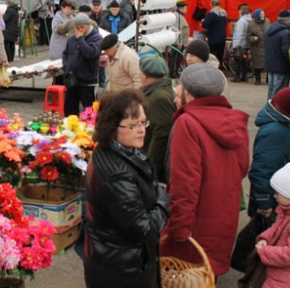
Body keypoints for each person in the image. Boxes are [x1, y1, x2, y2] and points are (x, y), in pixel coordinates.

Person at [162, 62, 249, 277]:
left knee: (187, 276)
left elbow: (184, 184)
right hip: (224, 217)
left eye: (179, 91)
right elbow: (242, 167)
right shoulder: (234, 120)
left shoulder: (188, 123)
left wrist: (177, 230)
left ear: (189, 94)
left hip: (195, 223)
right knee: (208, 275)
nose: (176, 96)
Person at [82, 89, 170, 288]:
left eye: (143, 123)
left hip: (115, 259)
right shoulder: (116, 174)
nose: (141, 130)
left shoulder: (119, 152)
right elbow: (144, 230)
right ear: (112, 127)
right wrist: (163, 200)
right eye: (133, 125)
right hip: (122, 271)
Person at [249, 87, 290, 221]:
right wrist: (263, 202)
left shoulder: (288, 125)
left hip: (285, 201)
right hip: (275, 206)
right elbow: (262, 169)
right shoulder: (274, 132)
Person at [139, 54, 176, 182]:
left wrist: (149, 167)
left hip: (153, 163)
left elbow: (161, 134)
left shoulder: (158, 97)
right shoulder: (156, 91)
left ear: (146, 76)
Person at [62, 13, 102, 116]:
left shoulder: (96, 37)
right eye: (77, 27)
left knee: (89, 112)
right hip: (72, 80)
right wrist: (67, 67)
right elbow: (66, 53)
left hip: (87, 82)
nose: (79, 29)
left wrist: (80, 39)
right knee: (69, 110)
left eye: (82, 27)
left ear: (88, 25)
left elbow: (90, 53)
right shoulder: (72, 38)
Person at [265, 9, 290, 100]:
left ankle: (269, 107)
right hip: (281, 66)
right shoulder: (285, 33)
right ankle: (275, 110)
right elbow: (286, 51)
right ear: (286, 20)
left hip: (270, 64)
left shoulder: (270, 29)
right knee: (278, 91)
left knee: (271, 90)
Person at [201, 0, 228, 67]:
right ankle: (220, 66)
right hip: (222, 36)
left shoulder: (212, 13)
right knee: (220, 53)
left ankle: (213, 67)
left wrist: (203, 21)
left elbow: (205, 24)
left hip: (213, 37)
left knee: (212, 54)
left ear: (212, 5)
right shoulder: (224, 13)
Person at [248, 8, 270, 85]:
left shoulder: (267, 21)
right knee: (257, 64)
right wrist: (253, 38)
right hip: (257, 47)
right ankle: (258, 79)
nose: (263, 16)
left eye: (263, 14)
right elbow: (248, 36)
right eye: (261, 15)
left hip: (267, 46)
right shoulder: (251, 24)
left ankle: (268, 79)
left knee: (268, 64)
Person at [231, 4, 252, 82]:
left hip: (240, 44)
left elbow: (238, 34)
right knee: (244, 61)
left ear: (241, 11)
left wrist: (236, 44)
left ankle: (237, 77)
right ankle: (244, 76)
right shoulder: (249, 20)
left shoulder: (241, 21)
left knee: (238, 61)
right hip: (246, 44)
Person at [169, 1, 190, 78]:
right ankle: (173, 73)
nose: (186, 10)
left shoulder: (180, 15)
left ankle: (175, 72)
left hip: (180, 42)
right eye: (185, 8)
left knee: (177, 58)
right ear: (180, 8)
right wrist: (179, 42)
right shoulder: (177, 16)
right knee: (175, 58)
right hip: (178, 42)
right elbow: (178, 30)